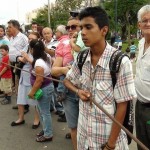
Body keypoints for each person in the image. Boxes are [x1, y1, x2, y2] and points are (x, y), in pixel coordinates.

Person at [64, 6, 137, 149]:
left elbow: (123, 106)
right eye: (81, 28)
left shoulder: (120, 62)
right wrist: (78, 91)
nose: (82, 33)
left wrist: (110, 145)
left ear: (104, 30)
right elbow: (67, 80)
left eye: (88, 27)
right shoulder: (82, 57)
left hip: (107, 141)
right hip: (84, 139)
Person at [51, 22, 80, 149]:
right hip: (69, 94)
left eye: (73, 27)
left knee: (89, 128)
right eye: (68, 27)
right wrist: (64, 70)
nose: (70, 29)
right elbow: (54, 70)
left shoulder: (91, 43)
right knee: (73, 127)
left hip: (88, 93)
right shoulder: (63, 45)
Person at [25, 39, 54, 142]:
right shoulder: (46, 56)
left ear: (32, 49)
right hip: (46, 87)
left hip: (44, 89)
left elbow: (39, 80)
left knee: (44, 112)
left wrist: (32, 92)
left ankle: (48, 134)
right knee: (41, 111)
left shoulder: (39, 63)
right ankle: (46, 129)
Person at [11, 32, 40, 129]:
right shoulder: (27, 46)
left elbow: (39, 64)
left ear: (37, 39)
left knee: (35, 100)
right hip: (23, 75)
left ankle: (36, 120)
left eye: (32, 38)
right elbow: (18, 56)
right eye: (29, 38)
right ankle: (21, 118)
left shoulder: (39, 48)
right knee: (20, 99)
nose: (29, 40)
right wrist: (22, 58)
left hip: (33, 77)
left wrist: (26, 58)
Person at [135, 5, 150, 150]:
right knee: (141, 143)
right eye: (145, 21)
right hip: (139, 105)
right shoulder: (140, 44)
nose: (148, 24)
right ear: (139, 25)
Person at [7, 20, 29, 112]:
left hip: (20, 64)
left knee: (21, 84)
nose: (8, 29)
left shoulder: (23, 37)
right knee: (16, 85)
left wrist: (22, 60)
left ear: (16, 27)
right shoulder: (11, 38)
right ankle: (20, 103)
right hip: (12, 64)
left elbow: (28, 49)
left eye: (9, 27)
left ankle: (25, 105)